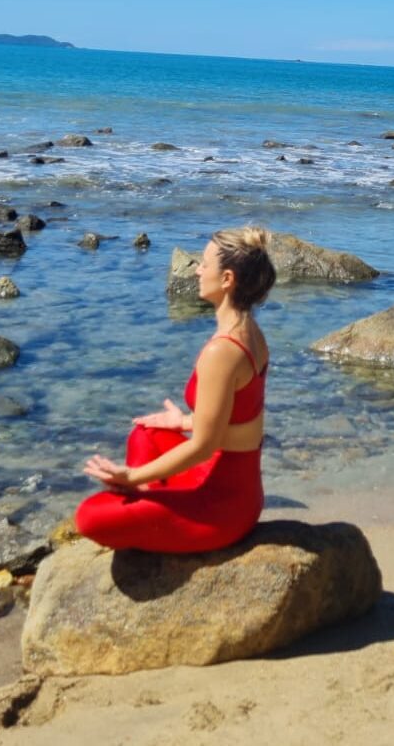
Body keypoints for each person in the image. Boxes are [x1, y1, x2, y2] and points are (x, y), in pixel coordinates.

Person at [76, 226, 275, 553]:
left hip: (222, 509)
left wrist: (132, 476)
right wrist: (184, 422)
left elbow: (202, 448)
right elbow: (243, 423)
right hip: (239, 486)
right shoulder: (251, 331)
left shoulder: (222, 352)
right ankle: (153, 504)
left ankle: (150, 504)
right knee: (146, 432)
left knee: (89, 517)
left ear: (227, 279)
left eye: (204, 263)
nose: (197, 269)